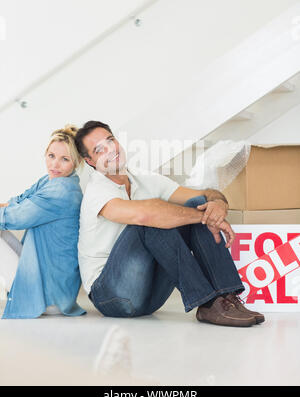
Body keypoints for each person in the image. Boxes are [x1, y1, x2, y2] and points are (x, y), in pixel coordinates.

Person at [75, 120, 264, 327]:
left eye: (110, 140)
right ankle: (208, 302)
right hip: (111, 296)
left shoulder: (143, 178)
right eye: (99, 150)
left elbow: (206, 194)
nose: (110, 150)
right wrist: (205, 218)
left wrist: (218, 204)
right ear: (90, 161)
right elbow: (146, 215)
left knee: (198, 204)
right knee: (151, 220)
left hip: (149, 296)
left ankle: (226, 298)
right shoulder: (96, 192)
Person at [0, 125, 86, 319]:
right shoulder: (51, 181)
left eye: (65, 159)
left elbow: (15, 217)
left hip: (50, 296)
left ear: (77, 162)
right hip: (50, 284)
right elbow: (17, 202)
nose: (55, 164)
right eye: (51, 155)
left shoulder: (62, 191)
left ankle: (28, 296)